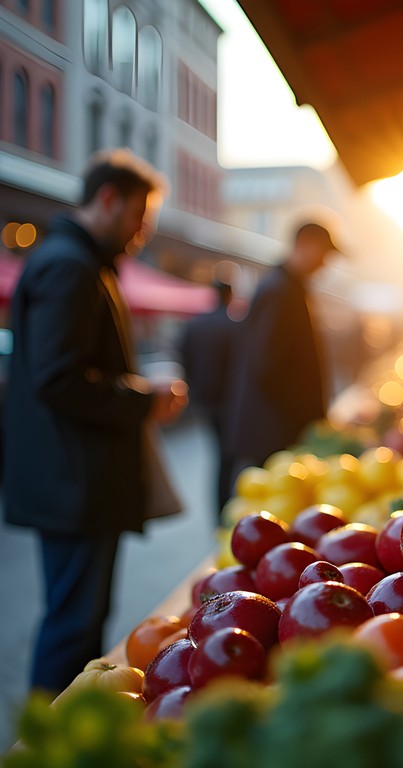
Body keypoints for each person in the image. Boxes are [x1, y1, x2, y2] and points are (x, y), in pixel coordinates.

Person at [1, 149, 189, 696]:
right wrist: (142, 398)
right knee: (73, 624)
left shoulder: (74, 262)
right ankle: (51, 742)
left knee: (77, 619)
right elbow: (60, 380)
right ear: (107, 199)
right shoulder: (69, 266)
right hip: (73, 483)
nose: (141, 233)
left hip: (72, 479)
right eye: (139, 217)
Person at [222, 222, 340, 482]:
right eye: (324, 253)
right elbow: (267, 365)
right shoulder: (280, 290)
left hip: (277, 429)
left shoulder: (287, 287)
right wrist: (303, 417)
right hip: (274, 432)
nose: (325, 263)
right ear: (306, 245)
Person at [179, 280, 237, 517]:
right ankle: (226, 508)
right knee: (227, 459)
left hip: (205, 402)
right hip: (230, 403)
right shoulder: (234, 325)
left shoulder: (195, 325)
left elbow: (183, 359)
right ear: (230, 295)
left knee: (220, 456)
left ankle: (221, 509)